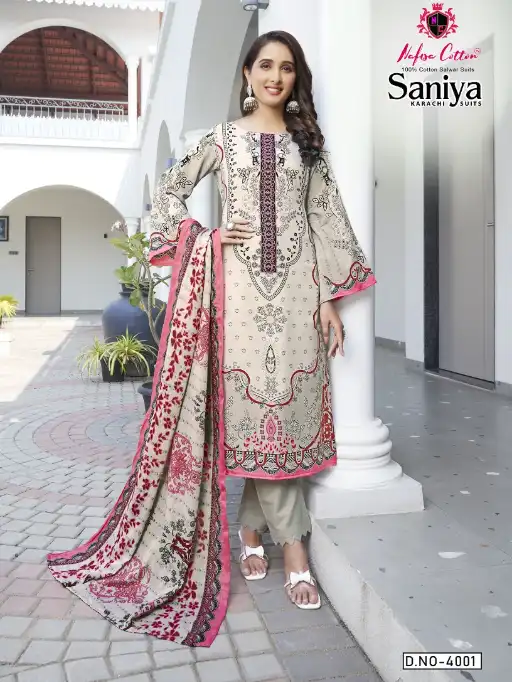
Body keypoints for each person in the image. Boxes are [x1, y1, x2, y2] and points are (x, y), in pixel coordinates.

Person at [46, 30, 376, 646]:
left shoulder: (308, 145)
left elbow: (325, 220)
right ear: (247, 73)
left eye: (287, 68)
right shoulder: (222, 139)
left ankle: (251, 532)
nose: (275, 77)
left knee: (283, 423)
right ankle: (294, 551)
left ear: (296, 78)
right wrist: (206, 237)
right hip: (237, 297)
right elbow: (168, 190)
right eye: (265, 66)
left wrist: (330, 298)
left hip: (299, 296)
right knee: (254, 418)